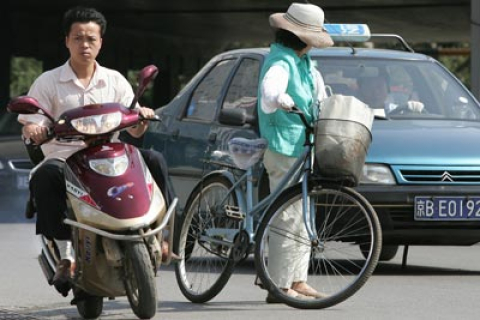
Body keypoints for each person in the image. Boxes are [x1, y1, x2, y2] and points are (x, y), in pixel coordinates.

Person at [18, 6, 177, 296]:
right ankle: (65, 250)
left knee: (154, 159)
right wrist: (36, 129)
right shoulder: (48, 82)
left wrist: (141, 116)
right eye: (78, 38)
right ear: (66, 41)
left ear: (101, 41)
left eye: (91, 38)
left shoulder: (114, 80)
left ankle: (163, 234)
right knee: (44, 176)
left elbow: (135, 129)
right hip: (65, 159)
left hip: (109, 157)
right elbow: (32, 122)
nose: (85, 44)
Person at [257, 2, 333, 302]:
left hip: (303, 145)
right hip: (283, 145)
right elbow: (269, 90)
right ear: (301, 37)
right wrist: (281, 98)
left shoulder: (305, 63)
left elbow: (321, 97)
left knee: (303, 214)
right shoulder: (280, 62)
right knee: (286, 215)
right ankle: (278, 285)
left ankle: (297, 279)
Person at [357, 75, 425, 114]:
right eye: (370, 87)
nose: (376, 92)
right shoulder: (353, 112)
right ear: (362, 90)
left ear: (387, 90)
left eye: (379, 87)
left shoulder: (400, 112)